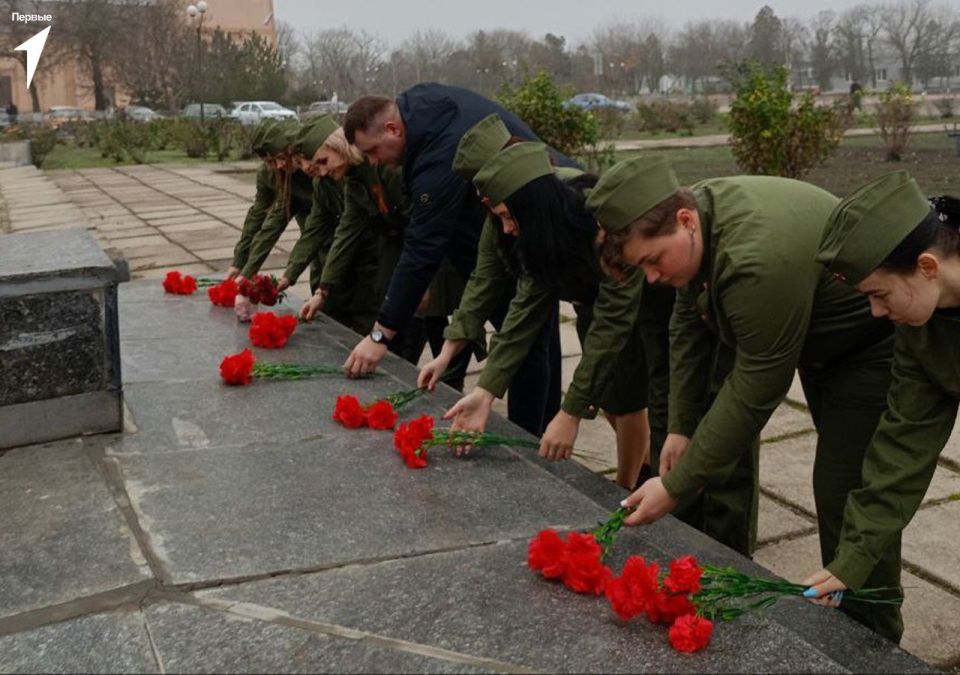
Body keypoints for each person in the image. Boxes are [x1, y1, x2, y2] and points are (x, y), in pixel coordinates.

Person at [597, 156, 902, 641]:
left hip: (867, 348)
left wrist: (677, 485)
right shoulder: (700, 220)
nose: (651, 277)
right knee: (841, 492)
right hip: (819, 345)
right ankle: (858, 628)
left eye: (654, 261)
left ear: (685, 220)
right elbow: (687, 324)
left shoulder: (755, 259)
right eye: (642, 267)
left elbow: (757, 385)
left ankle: (874, 642)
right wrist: (680, 425)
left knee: (848, 494)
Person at [341, 84, 578, 435]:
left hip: (542, 226)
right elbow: (477, 273)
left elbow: (422, 248)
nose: (375, 162)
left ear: (393, 129)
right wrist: (448, 352)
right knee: (535, 339)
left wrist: (380, 335)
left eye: (374, 151)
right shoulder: (418, 105)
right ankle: (537, 434)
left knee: (523, 344)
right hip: (506, 232)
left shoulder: (439, 157)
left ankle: (529, 440)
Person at [419, 132, 650, 489]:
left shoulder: (591, 214)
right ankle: (641, 469)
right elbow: (512, 303)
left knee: (627, 395)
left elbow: (613, 323)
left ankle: (628, 486)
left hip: (645, 301)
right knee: (609, 397)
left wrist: (570, 413)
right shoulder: (526, 223)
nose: (506, 229)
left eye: (506, 215)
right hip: (593, 302)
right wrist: (483, 390)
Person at [800, 173, 960, 636]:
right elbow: (901, 444)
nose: (874, 313)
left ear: (927, 267)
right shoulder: (917, 329)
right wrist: (852, 559)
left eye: (879, 294)